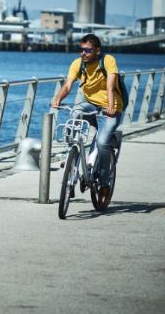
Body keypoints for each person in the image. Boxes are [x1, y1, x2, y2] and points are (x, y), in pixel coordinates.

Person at [51, 33, 123, 206]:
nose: (83, 53)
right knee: (75, 112)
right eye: (81, 50)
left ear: (97, 51)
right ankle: (72, 156)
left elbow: (110, 85)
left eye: (88, 50)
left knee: (102, 143)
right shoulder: (78, 64)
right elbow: (68, 85)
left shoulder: (107, 61)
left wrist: (111, 107)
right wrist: (57, 100)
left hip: (110, 107)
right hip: (90, 104)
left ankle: (105, 185)